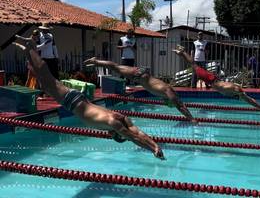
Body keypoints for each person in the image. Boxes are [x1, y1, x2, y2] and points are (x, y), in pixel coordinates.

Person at [13, 37, 165, 160]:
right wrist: (152, 149)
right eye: (114, 136)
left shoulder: (120, 117)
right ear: (118, 133)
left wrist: (155, 145)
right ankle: (31, 46)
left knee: (46, 82)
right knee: (48, 81)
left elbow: (138, 132)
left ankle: (29, 51)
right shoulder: (113, 124)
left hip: (79, 99)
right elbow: (134, 137)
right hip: (72, 101)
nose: (110, 135)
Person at [84, 58, 196, 123]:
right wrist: (191, 119)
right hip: (139, 75)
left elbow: (176, 104)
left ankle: (96, 61)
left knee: (116, 67)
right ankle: (96, 61)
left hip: (141, 74)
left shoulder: (165, 92)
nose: (168, 103)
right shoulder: (169, 92)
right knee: (115, 67)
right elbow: (180, 106)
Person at [172, 45, 260, 115]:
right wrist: (239, 91)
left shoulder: (237, 94)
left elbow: (250, 100)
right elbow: (239, 91)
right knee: (194, 65)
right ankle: (182, 52)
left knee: (194, 66)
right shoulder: (236, 90)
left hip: (212, 80)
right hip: (211, 80)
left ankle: (182, 53)